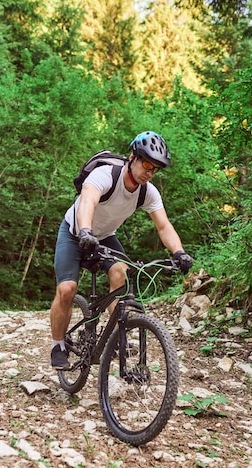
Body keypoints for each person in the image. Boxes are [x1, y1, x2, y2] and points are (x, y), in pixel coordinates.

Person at [50, 131, 194, 368]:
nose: (150, 172)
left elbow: (163, 225)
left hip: (105, 237)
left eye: (155, 168)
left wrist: (179, 252)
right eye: (147, 164)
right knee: (67, 289)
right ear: (132, 157)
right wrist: (85, 231)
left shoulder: (148, 192)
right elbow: (88, 201)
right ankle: (58, 345)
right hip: (75, 232)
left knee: (121, 275)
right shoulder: (106, 175)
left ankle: (116, 337)